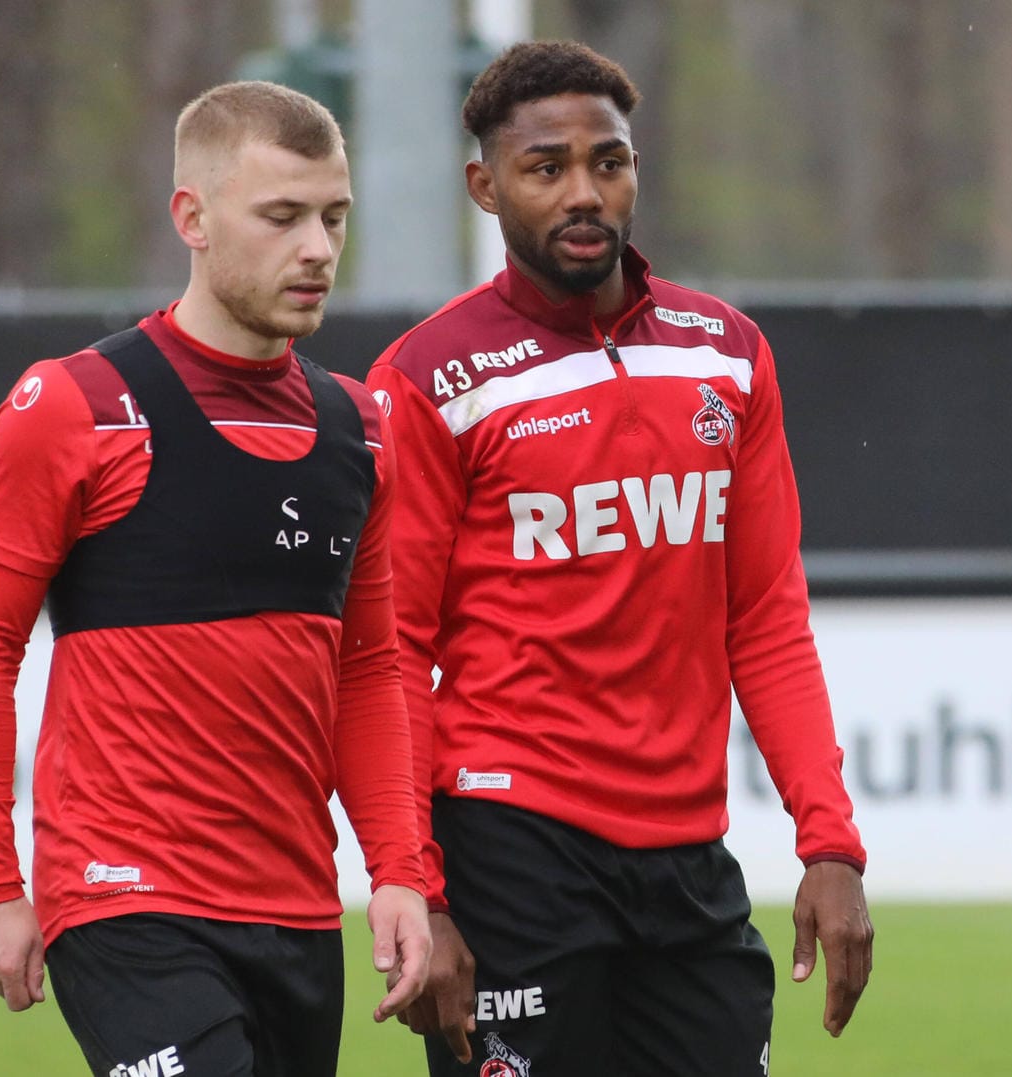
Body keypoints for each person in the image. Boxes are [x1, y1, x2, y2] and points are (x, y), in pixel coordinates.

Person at [365, 41, 874, 1076]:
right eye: (546, 168)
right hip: (514, 849)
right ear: (486, 186)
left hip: (688, 858)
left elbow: (766, 619)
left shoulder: (725, 351)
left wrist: (829, 842)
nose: (585, 192)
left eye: (610, 161)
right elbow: (389, 658)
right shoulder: (428, 379)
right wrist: (420, 890)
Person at [0, 81, 430, 1077]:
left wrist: (400, 873)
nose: (320, 249)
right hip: (127, 899)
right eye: (283, 216)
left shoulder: (360, 428)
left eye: (334, 217)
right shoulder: (74, 405)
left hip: (296, 910)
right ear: (192, 218)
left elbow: (371, 671)